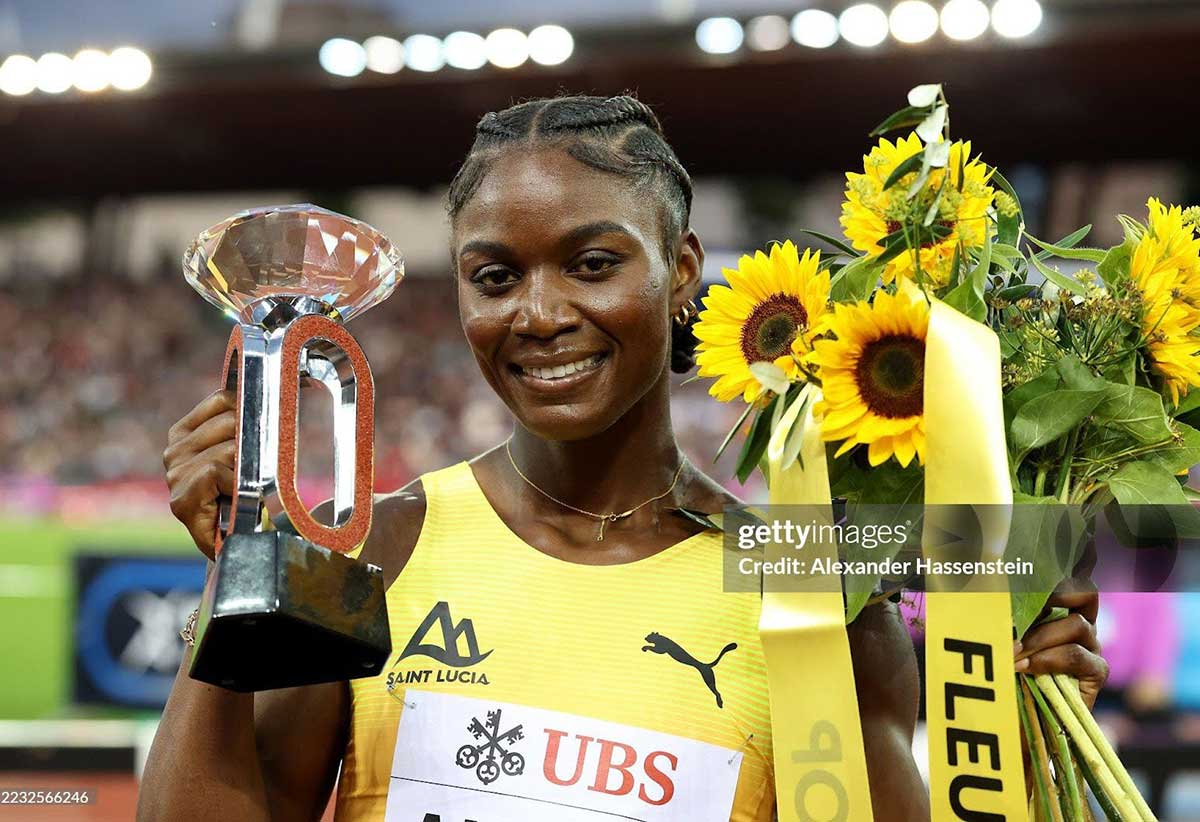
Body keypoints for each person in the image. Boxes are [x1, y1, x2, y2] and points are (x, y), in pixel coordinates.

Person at [138, 94, 1108, 822]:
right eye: (495, 276)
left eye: (592, 263)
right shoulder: (376, 551)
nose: (541, 312)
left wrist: (1017, 732)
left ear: (682, 272)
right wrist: (240, 571)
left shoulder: (812, 585)